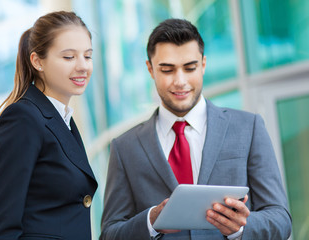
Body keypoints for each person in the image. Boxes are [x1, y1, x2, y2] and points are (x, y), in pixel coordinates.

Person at [100, 18, 292, 240]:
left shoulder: (248, 128)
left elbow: (281, 219)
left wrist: (240, 228)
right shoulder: (125, 147)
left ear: (203, 64)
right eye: (167, 70)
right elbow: (109, 234)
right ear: (150, 69)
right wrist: (151, 220)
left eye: (189, 68)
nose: (180, 81)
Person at [0, 11, 97, 240]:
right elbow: (0, 230)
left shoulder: (63, 120)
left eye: (88, 56)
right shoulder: (23, 119)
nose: (83, 66)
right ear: (37, 61)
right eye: (69, 57)